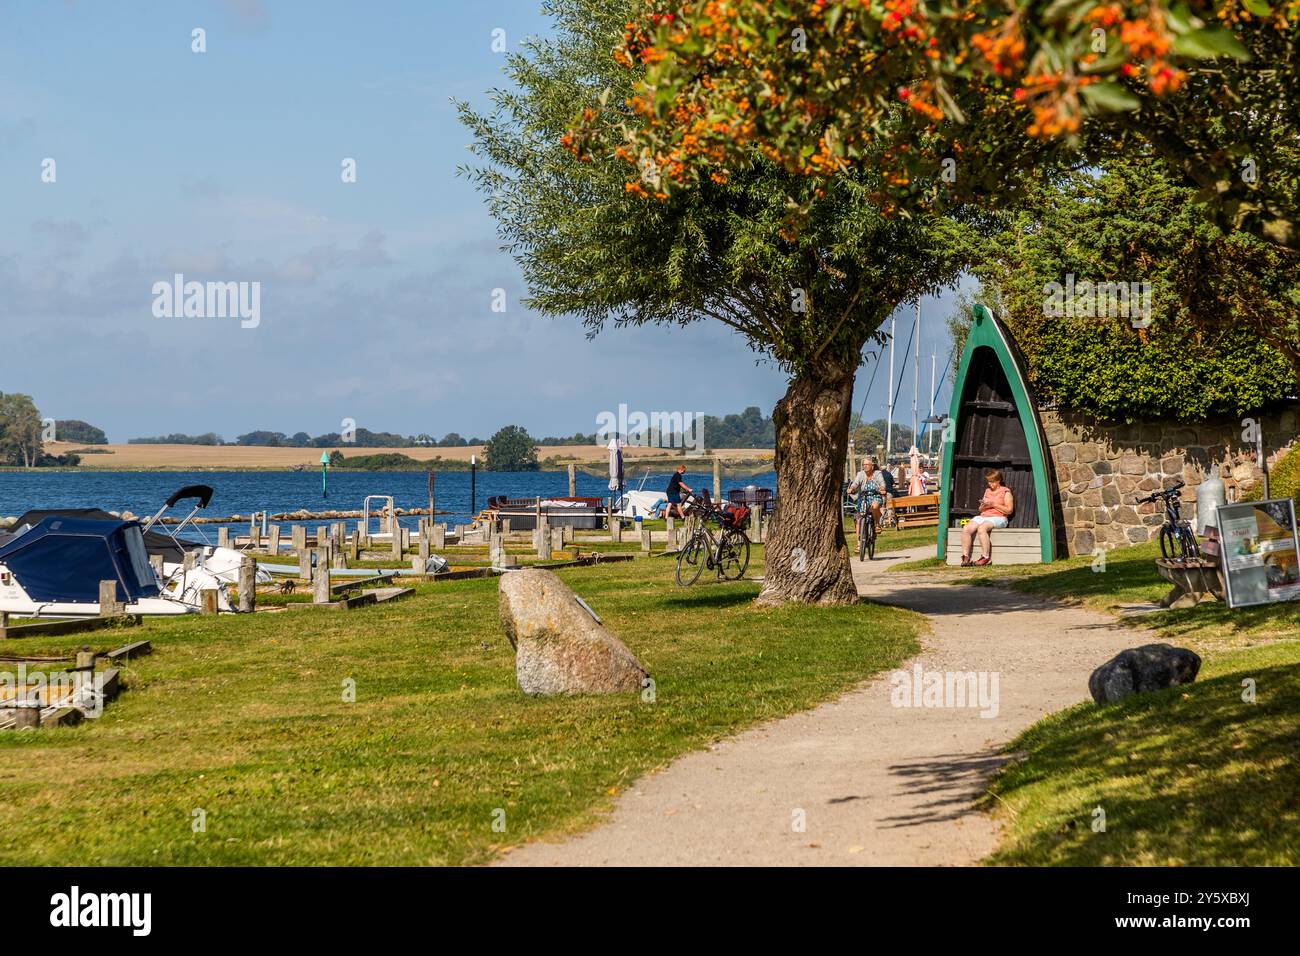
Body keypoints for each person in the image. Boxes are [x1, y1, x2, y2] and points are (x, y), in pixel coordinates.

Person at [960, 469, 1014, 566]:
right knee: (966, 528)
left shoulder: (1005, 492)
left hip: (999, 517)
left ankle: (985, 557)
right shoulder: (987, 491)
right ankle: (965, 557)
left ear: (999, 480)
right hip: (985, 515)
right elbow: (980, 510)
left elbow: (1009, 510)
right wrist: (983, 506)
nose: (990, 484)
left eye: (992, 482)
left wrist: (993, 504)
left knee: (982, 528)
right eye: (989, 481)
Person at [847, 457, 887, 544]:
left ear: (872, 466)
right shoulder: (860, 474)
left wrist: (882, 488)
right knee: (858, 519)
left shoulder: (877, 473)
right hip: (864, 497)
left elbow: (882, 483)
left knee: (875, 506)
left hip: (875, 496)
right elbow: (855, 483)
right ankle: (858, 543)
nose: (865, 466)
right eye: (863, 465)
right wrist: (852, 489)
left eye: (867, 464)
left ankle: (877, 524)